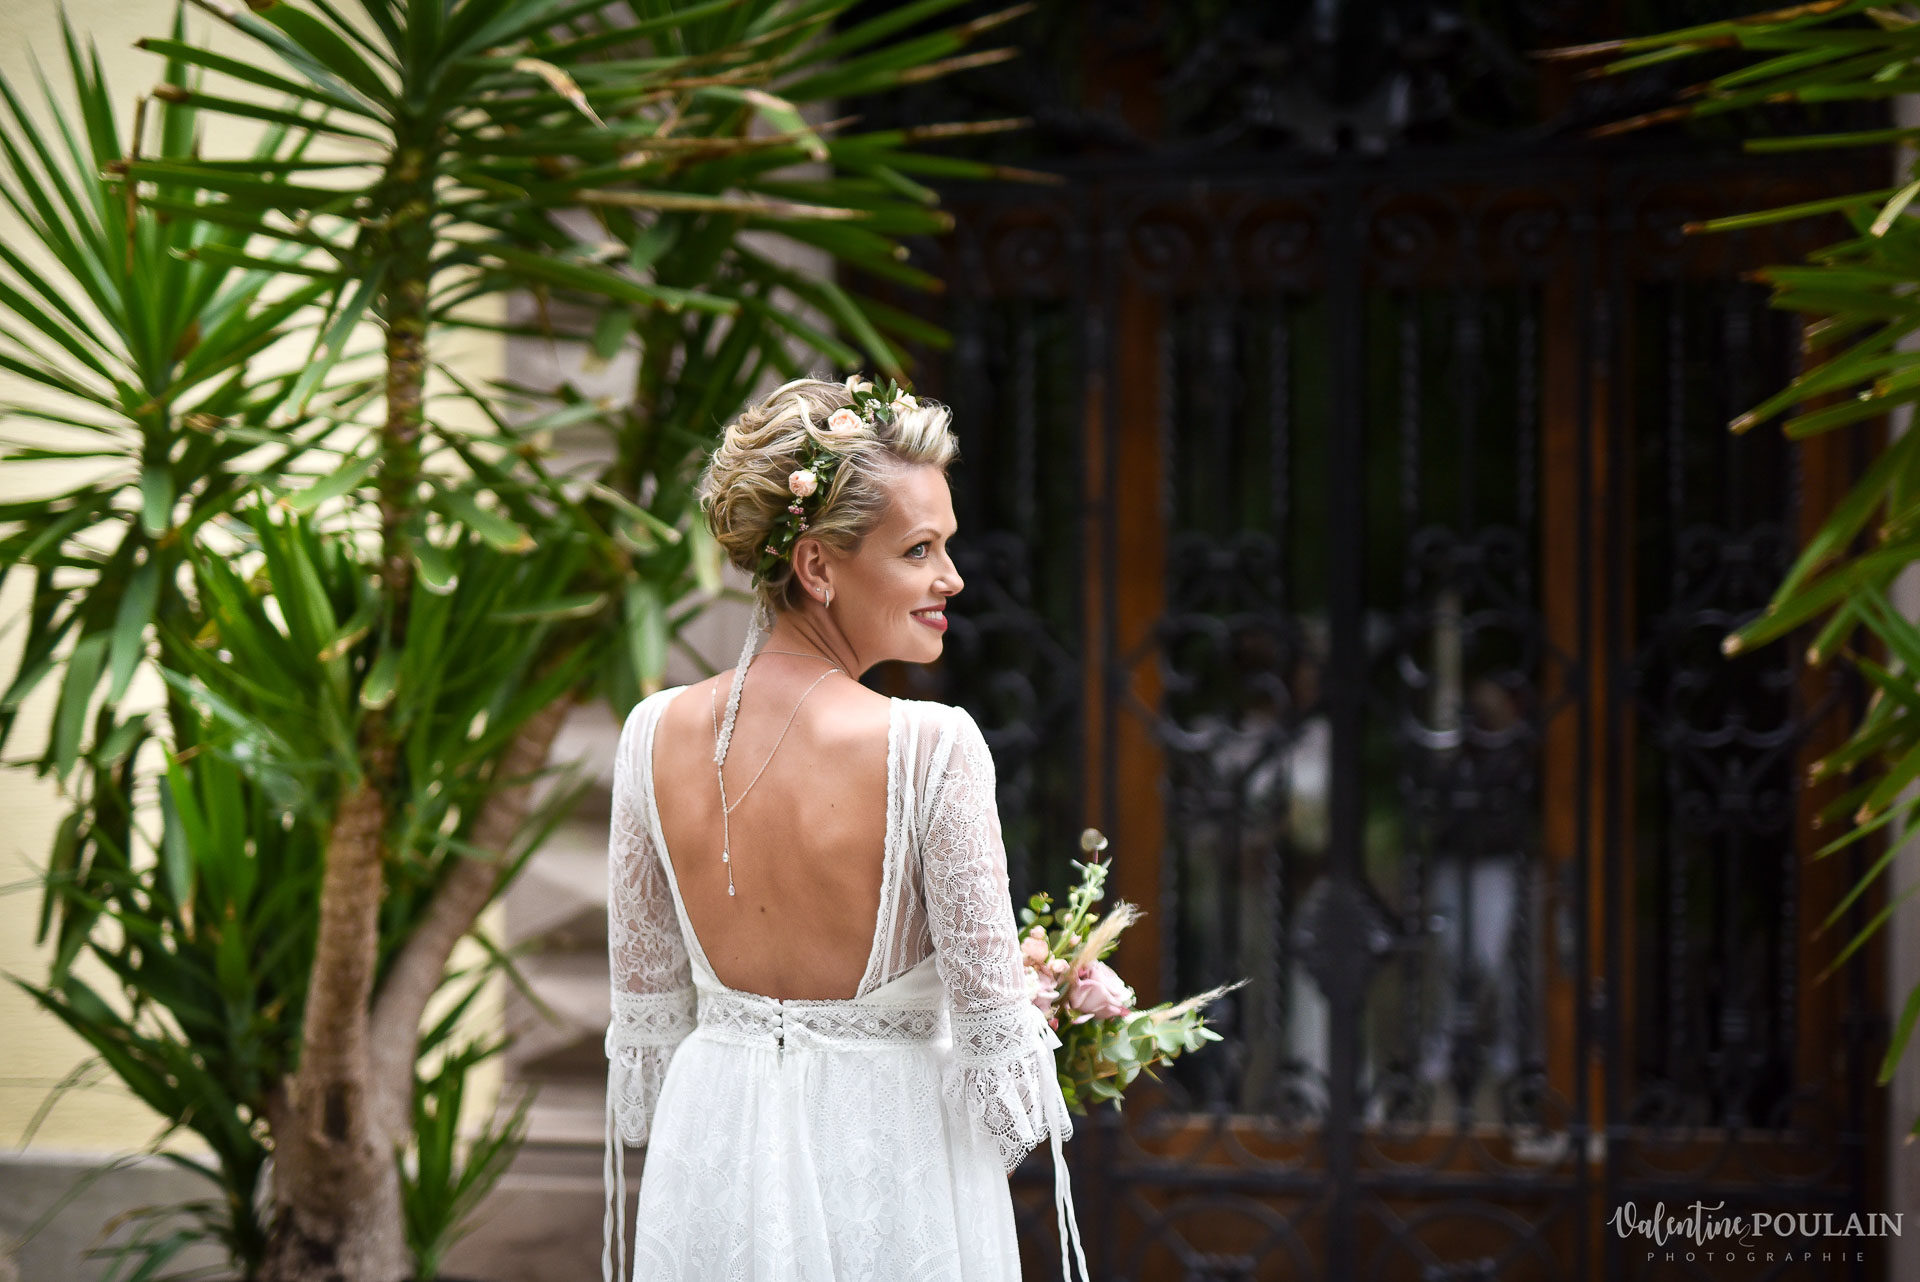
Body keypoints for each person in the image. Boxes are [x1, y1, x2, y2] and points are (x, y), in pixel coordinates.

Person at [602, 376, 1091, 1282]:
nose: (952, 578)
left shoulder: (649, 735)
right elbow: (1006, 1087)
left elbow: (650, 1030)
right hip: (886, 1158)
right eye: (919, 549)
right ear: (818, 566)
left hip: (712, 1154)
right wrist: (1046, 1012)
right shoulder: (933, 747)